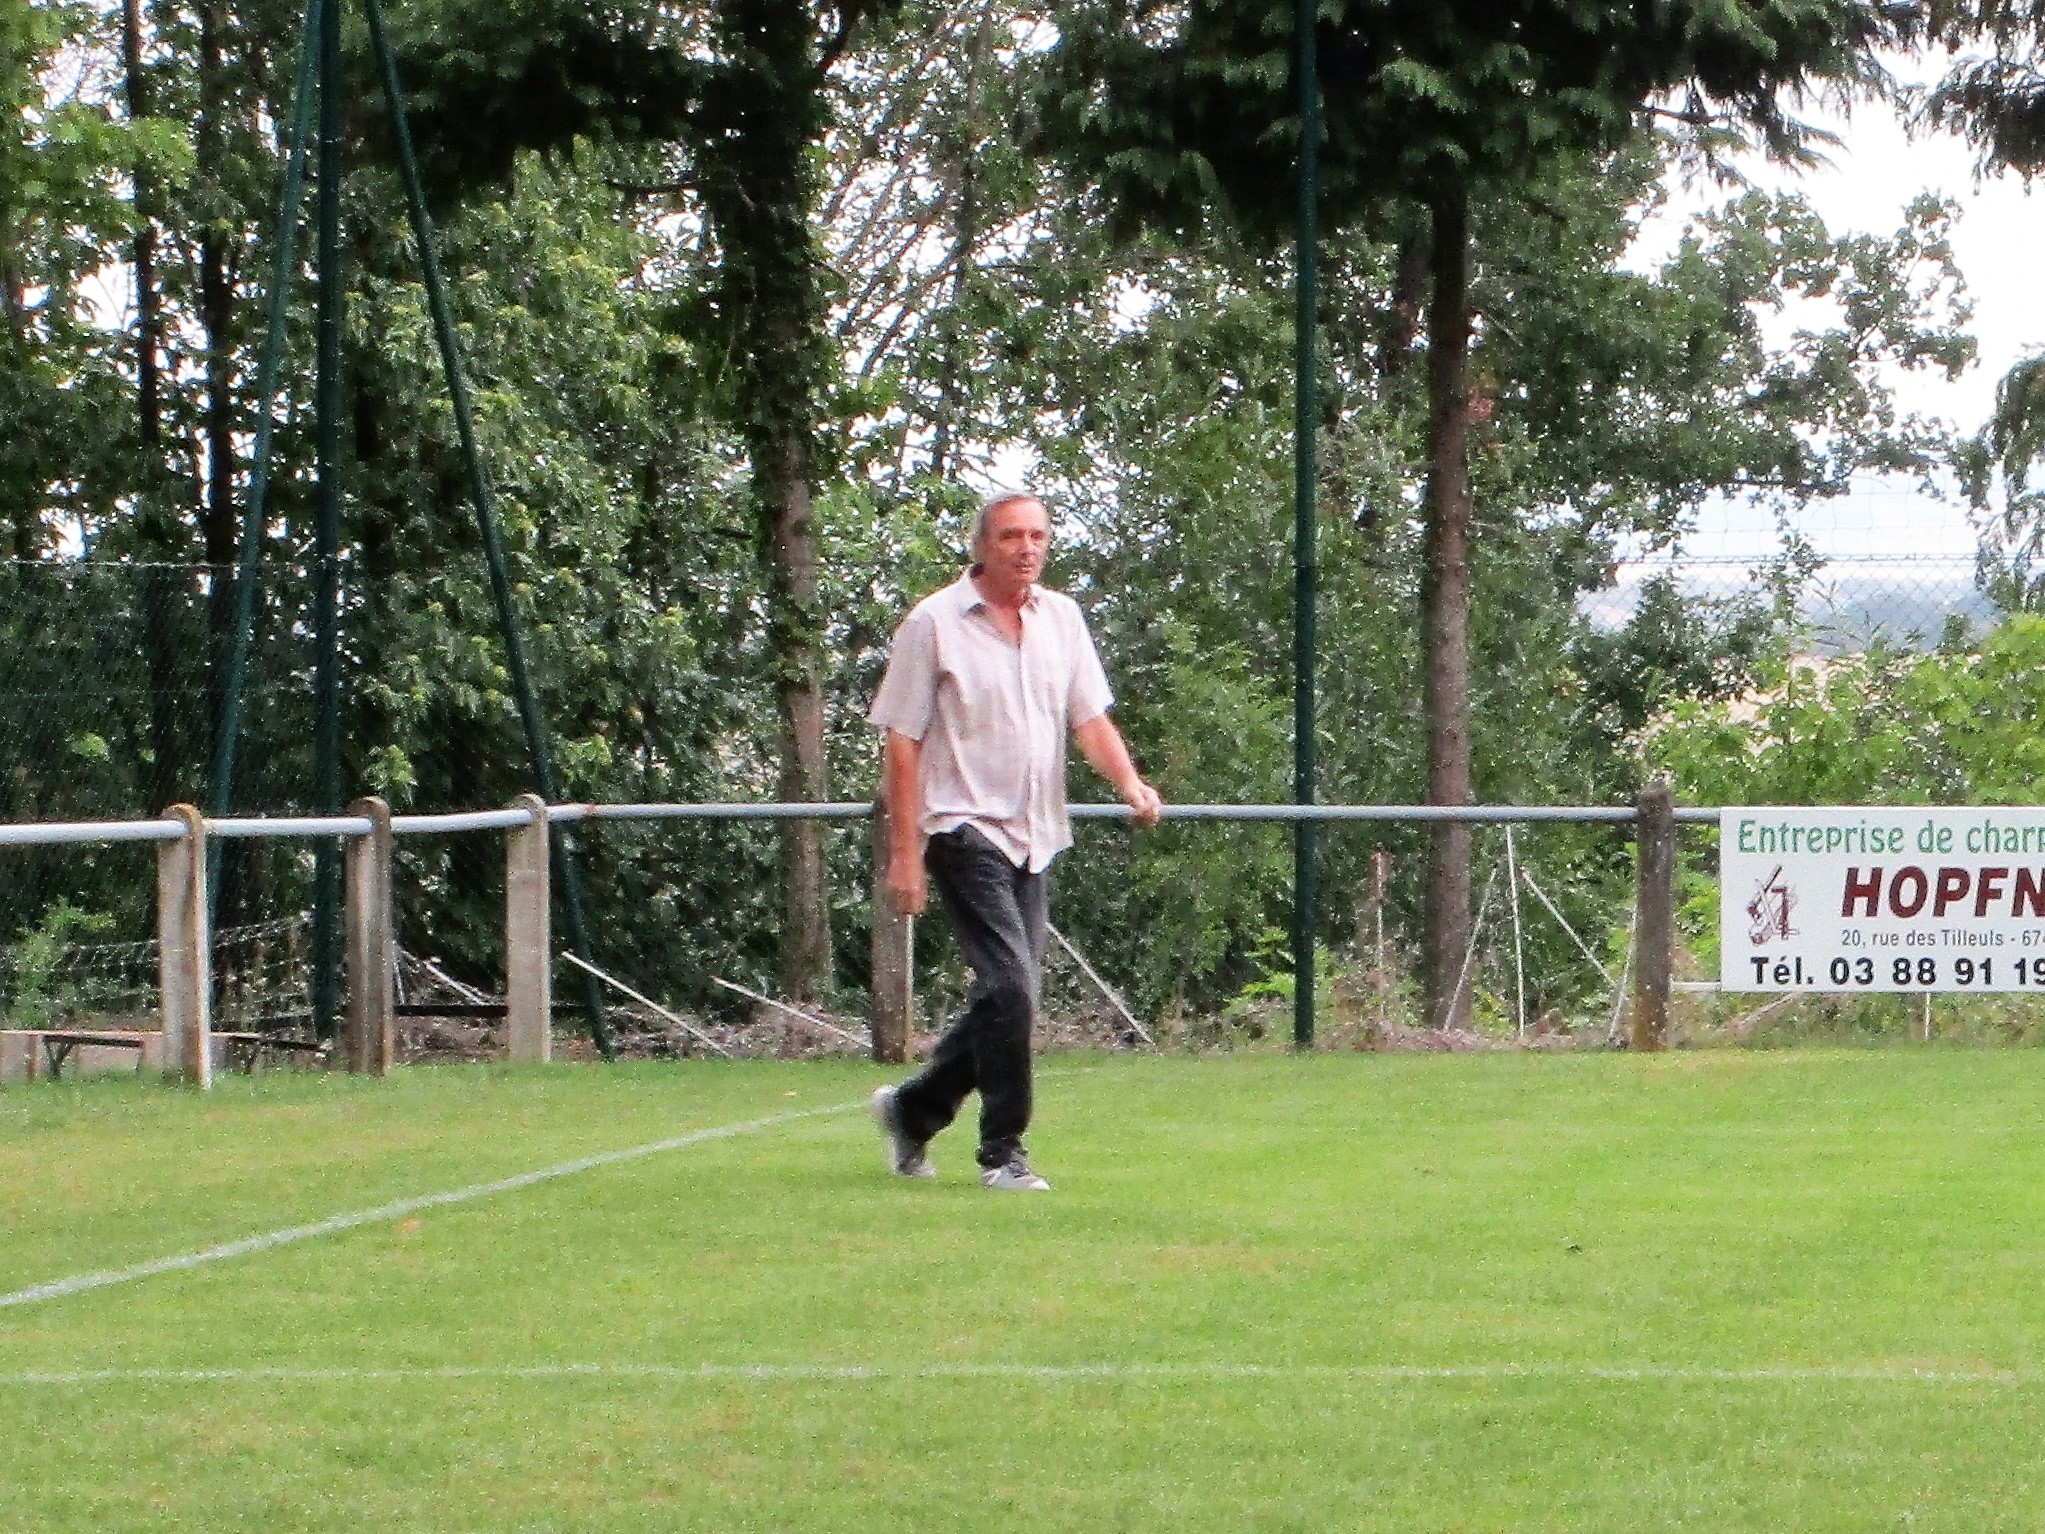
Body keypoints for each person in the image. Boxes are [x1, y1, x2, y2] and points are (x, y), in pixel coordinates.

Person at [867, 491, 1162, 1191]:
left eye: (1036, 536)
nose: (1026, 548)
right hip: (961, 827)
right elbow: (902, 743)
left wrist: (1129, 782)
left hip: (1036, 832)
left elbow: (1088, 718)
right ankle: (1003, 1152)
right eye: (1009, 536)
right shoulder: (932, 624)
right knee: (1011, 988)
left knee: (1010, 997)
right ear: (980, 546)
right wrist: (905, 855)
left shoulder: (1062, 619)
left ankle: (913, 1108)